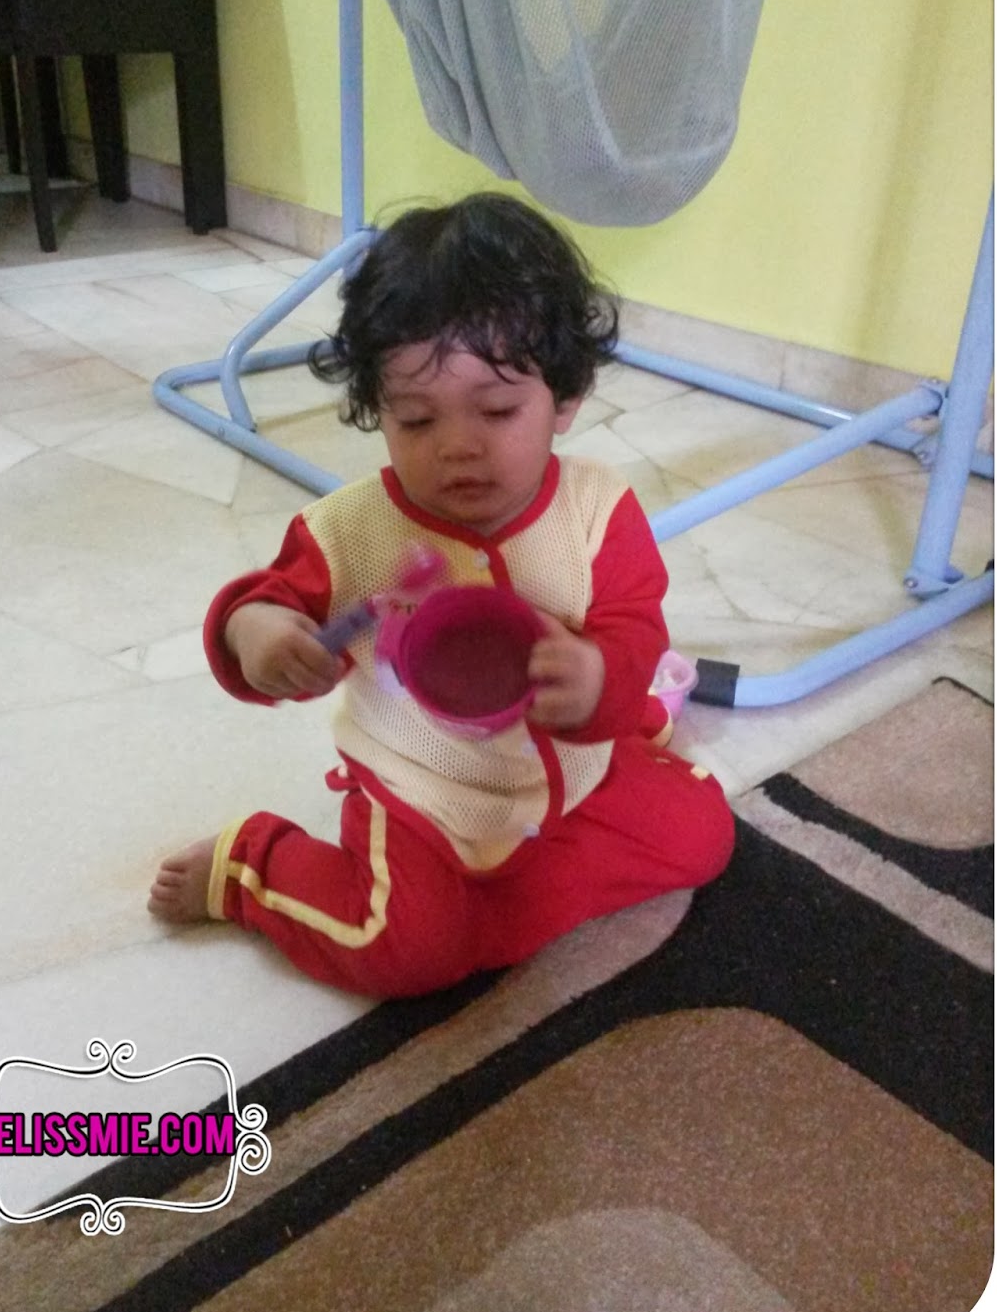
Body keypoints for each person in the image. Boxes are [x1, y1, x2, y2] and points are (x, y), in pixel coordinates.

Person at [148, 192, 734, 996]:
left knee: (704, 838)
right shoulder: (350, 532)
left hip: (571, 772)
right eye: (418, 421)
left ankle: (496, 912)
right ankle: (252, 866)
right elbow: (260, 603)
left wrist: (597, 676)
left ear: (565, 399)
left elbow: (634, 630)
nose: (458, 447)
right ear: (377, 410)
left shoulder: (599, 511)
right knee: (406, 951)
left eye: (498, 410)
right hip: (420, 788)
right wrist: (261, 636)